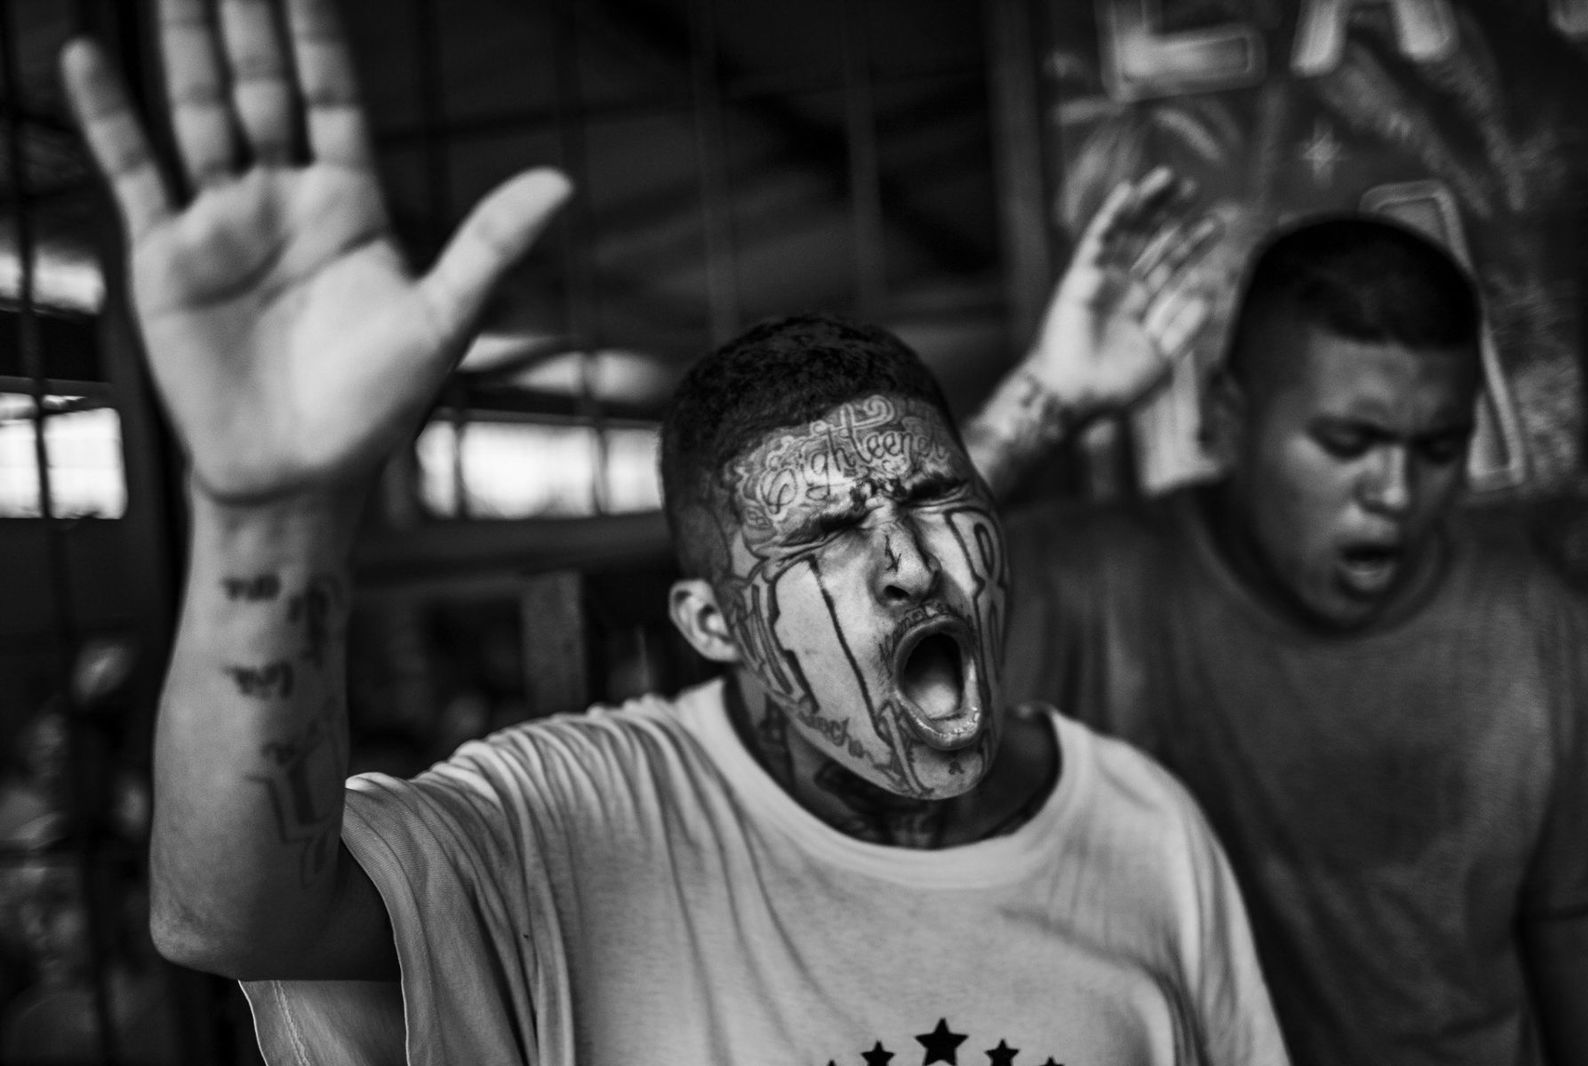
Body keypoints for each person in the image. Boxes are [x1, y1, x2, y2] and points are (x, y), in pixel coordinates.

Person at [59, 1, 1288, 1062]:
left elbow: (880, 540)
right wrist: (272, 514)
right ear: (712, 626)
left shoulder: (1144, 828)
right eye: (826, 539)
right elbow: (228, 919)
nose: (910, 559)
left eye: (930, 502)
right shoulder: (577, 820)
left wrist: (1050, 400)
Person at [965, 201, 1588, 1066]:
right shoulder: (1089, 588)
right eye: (1349, 442)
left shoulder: (1532, 622)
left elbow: (1573, 934)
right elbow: (815, 637)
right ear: (1228, 419)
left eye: (1440, 448)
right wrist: (1050, 396)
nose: (1395, 491)